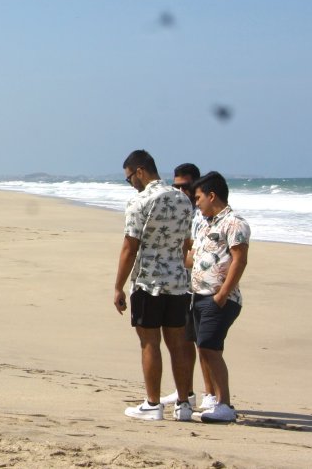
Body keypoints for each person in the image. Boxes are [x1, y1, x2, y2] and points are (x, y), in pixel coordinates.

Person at [113, 150, 196, 421]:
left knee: (149, 343)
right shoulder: (183, 200)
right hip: (177, 281)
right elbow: (187, 243)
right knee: (177, 343)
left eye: (129, 179)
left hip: (149, 281)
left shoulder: (139, 201)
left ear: (139, 171)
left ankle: (153, 403)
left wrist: (118, 286)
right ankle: (183, 403)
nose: (131, 184)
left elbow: (130, 246)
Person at [186, 171, 249, 423]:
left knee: (210, 348)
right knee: (204, 347)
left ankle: (225, 404)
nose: (196, 203)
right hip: (198, 296)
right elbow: (191, 259)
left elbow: (240, 259)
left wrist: (222, 295)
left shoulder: (234, 223)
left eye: (198, 197)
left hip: (219, 297)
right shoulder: (205, 225)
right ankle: (212, 397)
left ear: (212, 196)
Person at [158, 163, 216, 411]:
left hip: (202, 284)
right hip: (181, 283)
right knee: (182, 339)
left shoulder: (204, 213)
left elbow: (199, 249)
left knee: (204, 342)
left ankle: (210, 393)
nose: (181, 190)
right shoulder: (177, 211)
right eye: (176, 186)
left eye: (185, 186)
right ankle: (187, 391)